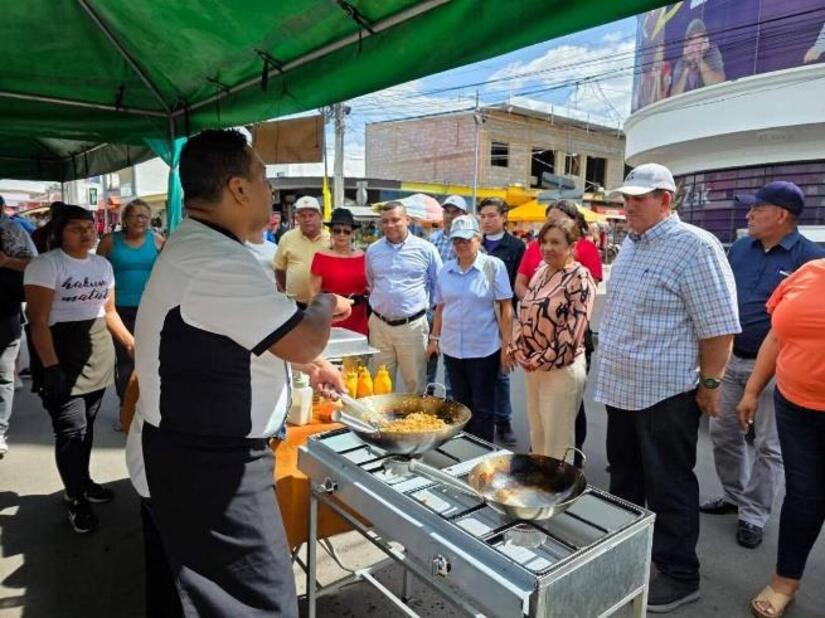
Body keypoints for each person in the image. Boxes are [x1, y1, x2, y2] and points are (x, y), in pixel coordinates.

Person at [125, 129, 351, 616]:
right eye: (264, 179)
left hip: (188, 451)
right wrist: (325, 302)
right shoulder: (215, 261)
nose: (271, 192)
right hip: (210, 466)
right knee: (263, 604)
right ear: (238, 189)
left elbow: (236, 330)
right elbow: (303, 336)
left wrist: (308, 363)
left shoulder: (201, 247)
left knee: (190, 593)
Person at [594, 163, 740, 613]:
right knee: (625, 479)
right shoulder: (633, 246)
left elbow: (718, 329)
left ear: (666, 200)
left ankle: (679, 574)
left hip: (666, 394)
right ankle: (625, 554)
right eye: (626, 197)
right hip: (622, 390)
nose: (629, 204)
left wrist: (711, 384)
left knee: (669, 486)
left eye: (640, 197)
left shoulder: (695, 247)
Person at [701, 181, 825, 549]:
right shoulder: (740, 248)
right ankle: (735, 497)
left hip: (777, 368)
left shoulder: (809, 258)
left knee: (769, 447)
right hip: (730, 358)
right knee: (724, 434)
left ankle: (754, 515)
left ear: (782, 215)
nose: (748, 215)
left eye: (757, 209)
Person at [24, 205, 134, 533]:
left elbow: (109, 310)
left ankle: (83, 482)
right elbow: (38, 321)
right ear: (59, 232)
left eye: (90, 227)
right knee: (71, 431)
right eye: (77, 228)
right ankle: (75, 498)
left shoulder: (102, 265)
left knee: (86, 425)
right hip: (60, 352)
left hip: (97, 350)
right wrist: (51, 366)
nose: (87, 233)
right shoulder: (45, 265)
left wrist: (130, 344)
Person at [736, 258, 825, 618]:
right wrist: (752, 390)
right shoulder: (810, 272)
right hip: (795, 406)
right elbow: (777, 335)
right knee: (804, 497)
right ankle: (785, 580)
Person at [516, 200, 602, 465]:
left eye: (555, 242)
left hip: (560, 369)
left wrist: (539, 359)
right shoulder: (541, 272)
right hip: (534, 368)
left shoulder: (581, 278)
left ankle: (556, 494)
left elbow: (572, 333)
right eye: (544, 242)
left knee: (557, 442)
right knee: (538, 434)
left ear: (572, 247)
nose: (548, 248)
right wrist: (517, 349)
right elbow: (526, 310)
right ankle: (538, 485)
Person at [428, 215, 512, 442]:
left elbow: (506, 307)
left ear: (478, 238)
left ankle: (483, 451)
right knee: (461, 404)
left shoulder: (493, 267)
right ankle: (465, 448)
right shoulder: (446, 270)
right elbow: (440, 308)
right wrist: (434, 339)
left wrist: (507, 345)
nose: (461, 245)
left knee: (483, 406)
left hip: (484, 348)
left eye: (466, 240)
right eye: (456, 241)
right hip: (453, 348)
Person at [96, 199, 164, 427]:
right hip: (118, 311)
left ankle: (149, 407)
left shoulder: (156, 241)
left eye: (145, 216)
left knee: (152, 358)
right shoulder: (109, 242)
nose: (141, 220)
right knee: (126, 360)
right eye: (136, 215)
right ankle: (125, 409)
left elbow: (170, 269)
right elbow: (95, 270)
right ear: (125, 219)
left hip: (151, 309)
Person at [367, 201, 441, 394]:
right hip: (379, 326)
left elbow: (438, 287)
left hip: (413, 327)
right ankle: (382, 423)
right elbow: (372, 282)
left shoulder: (426, 249)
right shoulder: (373, 251)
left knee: (415, 384)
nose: (390, 225)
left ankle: (414, 424)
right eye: (385, 221)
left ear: (407, 220)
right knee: (379, 384)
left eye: (395, 220)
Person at [478, 197, 525, 446]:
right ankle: (478, 417)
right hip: (477, 315)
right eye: (483, 216)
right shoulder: (475, 244)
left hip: (503, 315)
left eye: (492, 215)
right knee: (477, 369)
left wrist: (513, 323)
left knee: (501, 370)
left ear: (504, 216)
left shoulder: (516, 246)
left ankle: (503, 421)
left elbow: (518, 284)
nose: (486, 220)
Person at [0, 207, 37, 457]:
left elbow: (34, 263)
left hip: (4, 310)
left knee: (3, 374)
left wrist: (6, 261)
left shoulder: (9, 229)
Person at [426, 195, 467, 389]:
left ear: (465, 215)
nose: (450, 216)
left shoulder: (471, 243)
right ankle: (427, 404)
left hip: (456, 312)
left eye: (456, 212)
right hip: (433, 309)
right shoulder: (432, 241)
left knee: (453, 366)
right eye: (447, 211)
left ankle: (452, 407)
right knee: (428, 361)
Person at [309, 208, 369, 335]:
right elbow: (313, 293)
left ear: (353, 233)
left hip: (358, 316)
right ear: (331, 232)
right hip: (331, 315)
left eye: (346, 231)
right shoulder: (321, 257)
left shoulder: (362, 256)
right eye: (337, 231)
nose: (341, 234)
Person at [273, 195, 330, 308]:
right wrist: (285, 293)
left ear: (320, 216)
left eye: (311, 215)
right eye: (302, 216)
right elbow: (279, 270)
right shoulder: (287, 238)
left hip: (324, 304)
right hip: (294, 305)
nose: (307, 219)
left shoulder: (330, 240)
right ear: (297, 218)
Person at [671, 18, 726, 96]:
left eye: (699, 44)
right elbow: (674, 95)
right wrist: (686, 69)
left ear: (705, 44)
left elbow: (717, 84)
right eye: (692, 44)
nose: (695, 49)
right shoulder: (681, 62)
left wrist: (699, 60)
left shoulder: (711, 52)